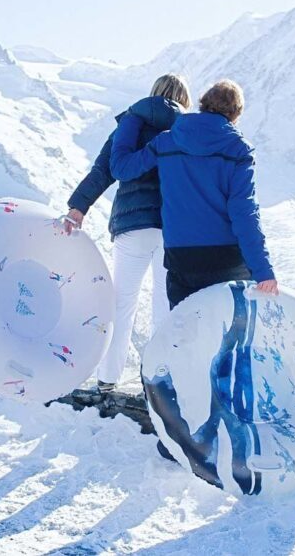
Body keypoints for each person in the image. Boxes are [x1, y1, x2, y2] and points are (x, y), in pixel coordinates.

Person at [65, 74, 192, 392]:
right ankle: (160, 382)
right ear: (183, 100)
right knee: (165, 305)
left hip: (131, 227)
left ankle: (108, 378)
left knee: (121, 302)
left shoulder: (132, 121)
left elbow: (103, 170)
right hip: (171, 228)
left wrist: (78, 207)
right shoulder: (188, 130)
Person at [109, 79, 278, 308]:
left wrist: (131, 119)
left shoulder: (167, 141)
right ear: (236, 114)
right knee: (229, 328)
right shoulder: (238, 150)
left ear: (202, 104)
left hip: (182, 258)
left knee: (182, 332)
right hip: (226, 257)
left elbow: (122, 168)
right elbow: (244, 213)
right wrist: (262, 270)